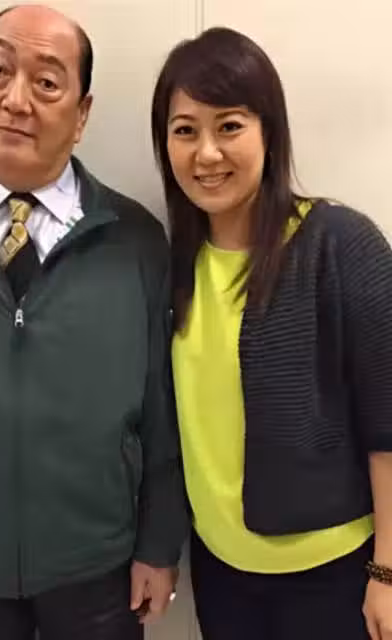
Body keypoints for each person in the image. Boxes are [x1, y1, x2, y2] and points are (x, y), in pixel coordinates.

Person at [0, 5, 188, 639]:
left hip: (101, 573)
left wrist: (159, 542)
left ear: (82, 114)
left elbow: (164, 408)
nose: (15, 99)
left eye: (46, 82)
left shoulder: (134, 241)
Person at [151, 26, 392, 640]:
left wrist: (388, 572)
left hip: (333, 575)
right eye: (185, 131)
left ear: (270, 131)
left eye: (229, 126)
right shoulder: (171, 265)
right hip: (220, 572)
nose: (207, 154)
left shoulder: (339, 244)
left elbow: (388, 423)